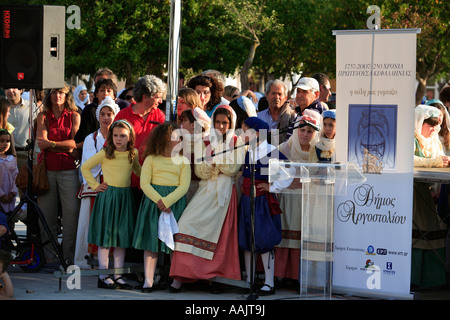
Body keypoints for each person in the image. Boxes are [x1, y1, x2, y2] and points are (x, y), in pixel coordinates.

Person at [170, 105, 245, 292]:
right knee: (185, 226)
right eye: (218, 122)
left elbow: (233, 169)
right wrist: (216, 165)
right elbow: (199, 170)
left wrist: (214, 163)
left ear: (231, 124)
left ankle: (216, 278)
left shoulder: (238, 141)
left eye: (225, 123)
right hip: (205, 191)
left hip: (225, 195)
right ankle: (181, 277)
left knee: (220, 237)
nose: (220, 126)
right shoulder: (205, 140)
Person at [81, 119, 141, 289]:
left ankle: (118, 275)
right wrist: (95, 186)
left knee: (121, 239)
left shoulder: (133, 153)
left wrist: (152, 175)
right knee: (106, 238)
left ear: (130, 137)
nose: (118, 139)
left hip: (125, 197)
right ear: (111, 137)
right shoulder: (105, 152)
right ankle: (103, 275)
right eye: (115, 135)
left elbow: (137, 170)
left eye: (122, 135)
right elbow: (85, 167)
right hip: (108, 198)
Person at [132, 122, 190, 292]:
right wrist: (160, 201)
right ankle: (148, 281)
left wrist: (168, 201)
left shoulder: (183, 161)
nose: (178, 140)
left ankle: (176, 281)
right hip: (153, 204)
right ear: (163, 139)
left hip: (174, 205)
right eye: (174, 137)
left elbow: (184, 186)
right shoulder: (151, 159)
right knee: (151, 243)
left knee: (175, 242)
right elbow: (144, 183)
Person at [238, 117, 292, 296]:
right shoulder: (248, 151)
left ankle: (269, 283)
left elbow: (289, 172)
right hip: (247, 200)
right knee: (248, 239)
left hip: (262, 201)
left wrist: (273, 187)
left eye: (245, 131)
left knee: (264, 239)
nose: (242, 134)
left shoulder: (271, 151)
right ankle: (250, 280)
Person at [36, 84, 81, 264]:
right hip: (46, 170)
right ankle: (49, 256)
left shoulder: (74, 115)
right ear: (49, 95)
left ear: (66, 94)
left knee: (71, 215)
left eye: (60, 92)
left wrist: (53, 145)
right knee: (46, 216)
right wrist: (64, 145)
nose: (57, 95)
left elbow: (75, 143)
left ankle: (69, 256)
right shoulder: (42, 115)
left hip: (69, 170)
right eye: (54, 92)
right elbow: (42, 141)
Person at [274, 110, 321, 285]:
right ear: (295, 130)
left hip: (307, 200)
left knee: (300, 238)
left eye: (310, 131)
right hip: (286, 200)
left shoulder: (318, 152)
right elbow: (275, 174)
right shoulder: (283, 148)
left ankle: (297, 277)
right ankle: (280, 274)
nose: (305, 134)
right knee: (284, 236)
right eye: (302, 130)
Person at [74, 96, 120, 269]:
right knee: (89, 222)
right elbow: (89, 164)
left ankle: (110, 261)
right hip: (95, 186)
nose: (106, 117)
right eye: (103, 114)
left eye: (109, 114)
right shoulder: (90, 139)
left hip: (114, 185)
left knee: (111, 223)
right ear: (98, 116)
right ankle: (86, 259)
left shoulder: (120, 138)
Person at [412, 104, 449, 289]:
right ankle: (414, 278)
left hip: (426, 192)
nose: (434, 128)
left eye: (436, 124)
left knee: (431, 228)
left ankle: (433, 280)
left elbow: (439, 157)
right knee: (417, 229)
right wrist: (435, 161)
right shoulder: (411, 138)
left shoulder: (434, 139)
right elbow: (407, 159)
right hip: (411, 195)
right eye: (430, 124)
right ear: (420, 122)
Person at [114, 75, 166, 205]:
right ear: (145, 96)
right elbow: (112, 144)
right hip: (127, 180)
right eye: (157, 97)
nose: (160, 101)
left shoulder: (159, 115)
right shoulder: (123, 115)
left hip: (151, 179)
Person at [75, 78, 119, 149]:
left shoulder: (119, 111)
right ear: (96, 94)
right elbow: (82, 136)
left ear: (114, 95)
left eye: (109, 91)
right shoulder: (89, 110)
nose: (105, 93)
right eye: (102, 90)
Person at [179, 107, 211, 202]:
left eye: (185, 121)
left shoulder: (205, 143)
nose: (182, 124)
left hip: (197, 186)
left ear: (193, 125)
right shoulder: (181, 140)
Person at [257, 80, 296, 144]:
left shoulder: (292, 117)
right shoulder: (259, 117)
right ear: (266, 95)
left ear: (286, 98)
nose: (276, 97)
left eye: (280, 94)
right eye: (273, 93)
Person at [5, 88, 35, 171]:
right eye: (7, 88)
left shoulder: (31, 107)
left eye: (14, 88)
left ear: (21, 90)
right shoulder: (1, 108)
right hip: (5, 157)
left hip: (26, 155)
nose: (11, 91)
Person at [0, 129, 18, 214]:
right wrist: (1, 195)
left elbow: (16, 177)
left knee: (10, 219)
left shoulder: (12, 159)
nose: (5, 143)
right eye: (1, 141)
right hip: (1, 197)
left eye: (8, 141)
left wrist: (13, 192)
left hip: (10, 198)